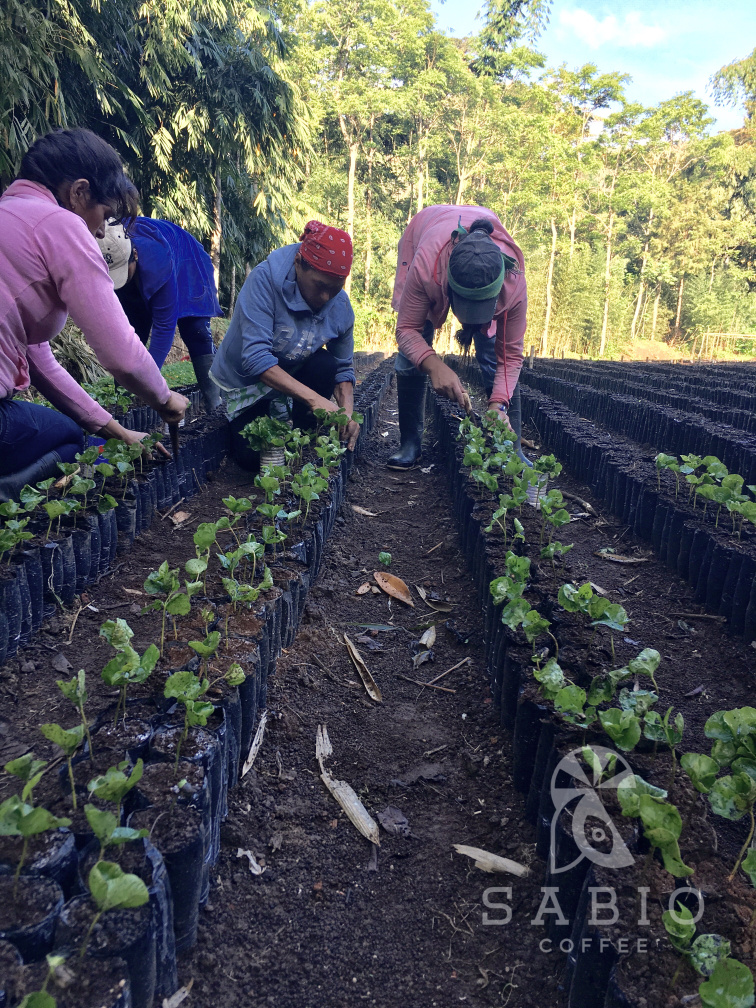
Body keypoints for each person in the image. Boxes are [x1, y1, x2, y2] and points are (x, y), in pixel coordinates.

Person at [0, 128, 188, 500]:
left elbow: (41, 363)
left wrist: (118, 432)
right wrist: (166, 399)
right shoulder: (60, 223)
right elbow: (121, 355)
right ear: (79, 192)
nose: (102, 229)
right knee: (71, 438)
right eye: (104, 213)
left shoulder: (12, 218)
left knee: (68, 430)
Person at [388, 204, 529, 470]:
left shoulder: (513, 280)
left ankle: (513, 446)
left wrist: (498, 406)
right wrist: (434, 365)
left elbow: (510, 355)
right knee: (411, 356)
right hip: (425, 232)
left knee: (490, 351)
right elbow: (406, 330)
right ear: (449, 287)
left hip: (474, 229)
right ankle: (409, 443)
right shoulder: (427, 267)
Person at [210, 220, 359, 469]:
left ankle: (304, 435)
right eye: (320, 286)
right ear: (298, 263)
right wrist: (316, 401)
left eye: (335, 288)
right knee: (252, 456)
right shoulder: (265, 281)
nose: (326, 298)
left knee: (325, 364)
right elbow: (256, 359)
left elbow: (343, 368)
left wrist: (346, 413)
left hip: (291, 375)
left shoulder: (341, 307)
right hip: (247, 382)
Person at [98, 217, 223, 412]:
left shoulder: (157, 260)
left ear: (135, 256)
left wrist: (149, 382)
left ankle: (215, 405)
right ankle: (124, 406)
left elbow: (164, 328)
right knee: (132, 331)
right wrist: (131, 384)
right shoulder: (101, 244)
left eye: (124, 271)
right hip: (140, 270)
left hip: (186, 260)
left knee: (195, 331)